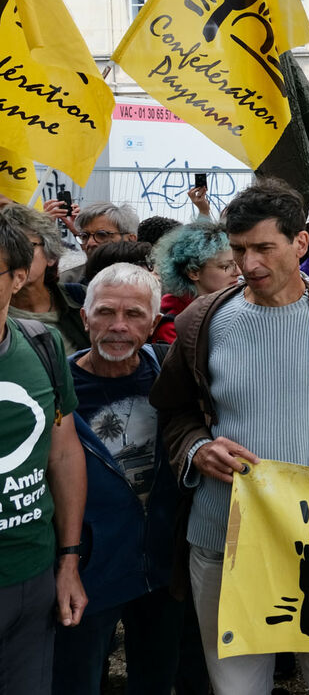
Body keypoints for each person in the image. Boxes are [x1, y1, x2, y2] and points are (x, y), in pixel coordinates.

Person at [149, 178, 309, 694]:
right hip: (223, 534)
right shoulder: (202, 321)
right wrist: (198, 448)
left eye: (263, 247)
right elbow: (173, 412)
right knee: (236, 685)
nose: (249, 263)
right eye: (238, 250)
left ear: (301, 243)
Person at [54, 264, 182, 695]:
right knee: (75, 681)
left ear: (154, 323)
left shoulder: (171, 376)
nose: (119, 326)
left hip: (161, 569)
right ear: (85, 317)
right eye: (106, 312)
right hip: (90, 569)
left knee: (157, 680)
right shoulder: (56, 387)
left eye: (134, 314)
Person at [0, 219, 86, 691]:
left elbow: (64, 454)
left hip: (32, 576)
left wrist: (69, 561)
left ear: (18, 277)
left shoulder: (42, 344)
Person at [0, 202, 90, 354]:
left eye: (27, 247)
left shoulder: (80, 298)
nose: (16, 257)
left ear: (51, 256)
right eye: (7, 250)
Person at [151, 221, 241, 344]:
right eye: (225, 266)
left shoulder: (235, 306)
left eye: (237, 263)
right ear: (193, 272)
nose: (238, 272)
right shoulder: (174, 328)